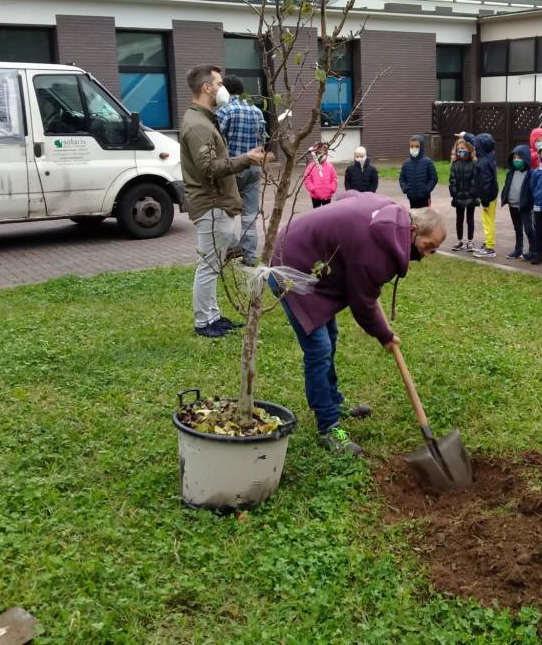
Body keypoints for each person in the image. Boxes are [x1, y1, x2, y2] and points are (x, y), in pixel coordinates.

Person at [270, 193, 446, 454]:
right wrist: (385, 335)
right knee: (318, 349)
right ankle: (330, 428)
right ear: (411, 230)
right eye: (427, 245)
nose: (426, 254)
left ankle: (334, 401)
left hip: (312, 262)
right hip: (293, 267)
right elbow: (362, 304)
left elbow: (349, 196)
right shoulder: (377, 253)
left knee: (329, 336)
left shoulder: (390, 211)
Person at [180, 64, 267, 338]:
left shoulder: (205, 119)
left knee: (215, 262)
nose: (222, 88)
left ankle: (213, 316)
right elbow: (209, 168)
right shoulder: (198, 126)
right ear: (206, 87)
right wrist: (246, 159)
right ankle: (204, 322)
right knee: (209, 266)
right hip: (211, 203)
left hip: (217, 203)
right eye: (218, 83)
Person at [217, 75, 266, 266]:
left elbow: (216, 142)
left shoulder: (225, 111)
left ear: (225, 91)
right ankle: (250, 256)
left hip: (232, 168)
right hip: (253, 168)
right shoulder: (257, 111)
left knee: (221, 209)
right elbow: (263, 141)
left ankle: (231, 245)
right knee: (250, 215)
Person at [501, 144, 535, 260]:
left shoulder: (531, 174)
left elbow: (532, 190)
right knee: (517, 228)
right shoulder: (510, 173)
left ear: (525, 158)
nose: (516, 160)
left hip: (525, 206)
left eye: (519, 158)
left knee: (529, 228)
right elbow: (507, 186)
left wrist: (530, 202)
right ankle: (518, 249)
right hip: (512, 205)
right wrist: (504, 197)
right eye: (514, 158)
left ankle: (533, 251)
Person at [448, 137, 479, 252]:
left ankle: (470, 241)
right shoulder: (454, 164)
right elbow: (452, 180)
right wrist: (455, 193)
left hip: (471, 197)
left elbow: (475, 180)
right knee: (459, 219)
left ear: (469, 149)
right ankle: (459, 240)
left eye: (463, 148)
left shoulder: (473, 163)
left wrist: (471, 193)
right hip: (458, 197)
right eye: (459, 149)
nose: (461, 151)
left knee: (470, 219)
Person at [472, 133, 499, 259]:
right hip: (492, 194)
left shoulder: (481, 164)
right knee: (489, 220)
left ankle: (489, 247)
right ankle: (488, 242)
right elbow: (476, 140)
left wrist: (485, 201)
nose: (474, 148)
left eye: (476, 147)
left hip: (488, 197)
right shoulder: (490, 157)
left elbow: (485, 184)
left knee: (487, 222)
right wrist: (466, 135)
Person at [399, 134, 438, 209]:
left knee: (424, 218)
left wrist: (427, 189)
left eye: (417, 146)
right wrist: (405, 188)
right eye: (412, 146)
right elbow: (402, 178)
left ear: (422, 147)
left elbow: (433, 178)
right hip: (411, 197)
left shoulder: (428, 162)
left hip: (424, 197)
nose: (414, 148)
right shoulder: (406, 163)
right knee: (414, 217)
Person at [304, 142, 337, 208]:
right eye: (319, 153)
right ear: (315, 154)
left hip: (327, 195)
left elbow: (334, 178)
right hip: (315, 195)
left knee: (327, 214)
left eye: (323, 153)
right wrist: (313, 188)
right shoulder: (311, 166)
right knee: (316, 214)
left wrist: (332, 188)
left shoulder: (330, 166)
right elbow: (307, 179)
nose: (321, 155)